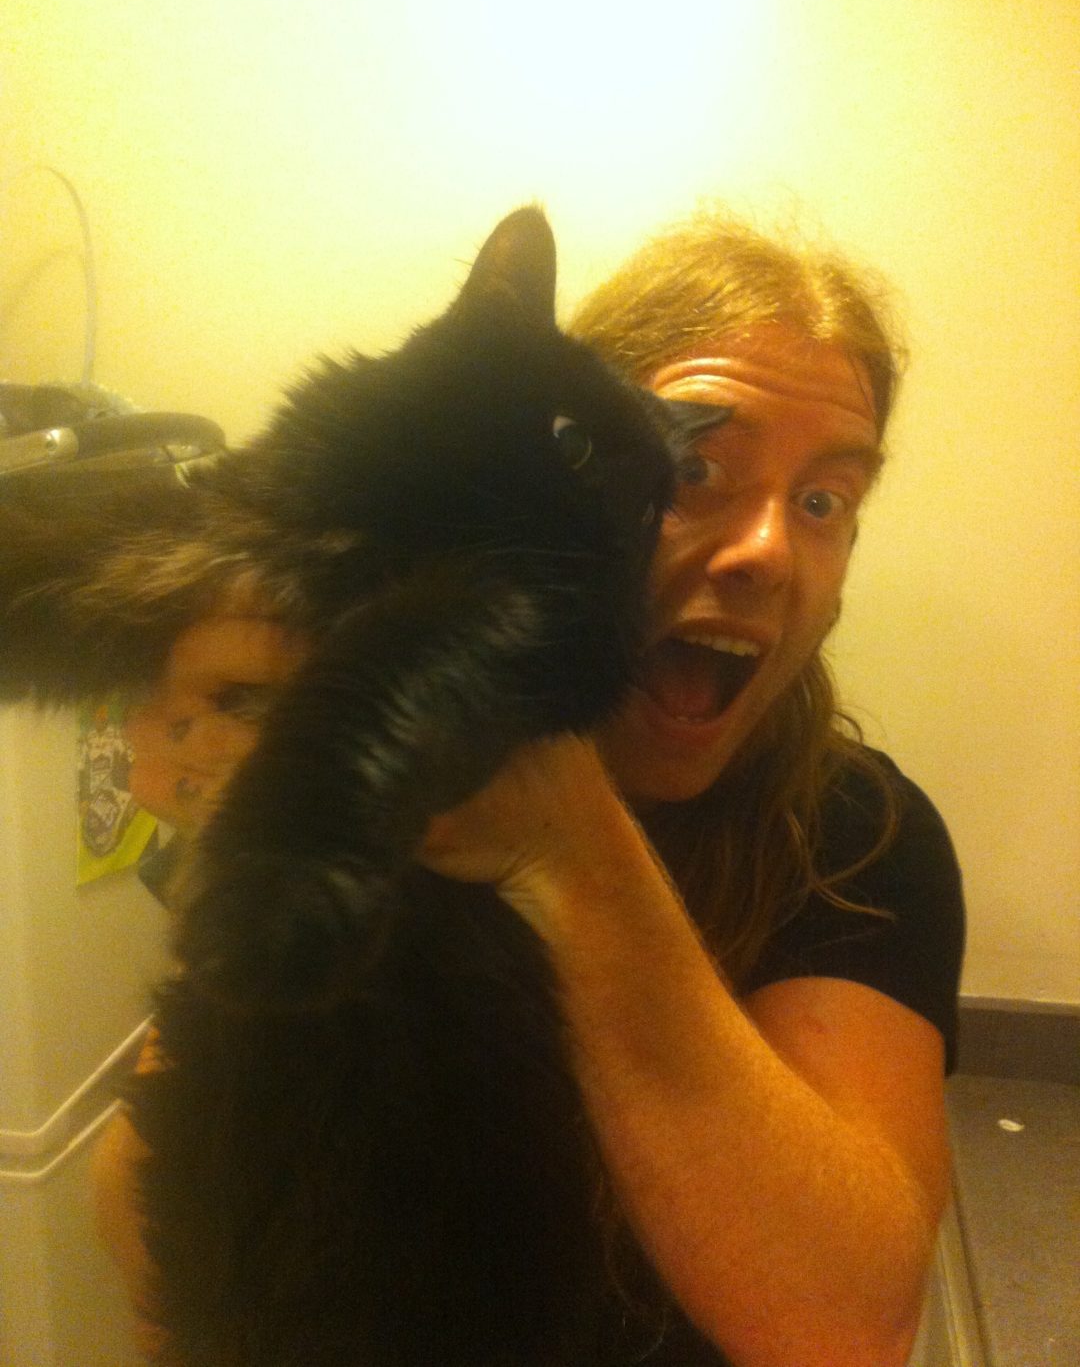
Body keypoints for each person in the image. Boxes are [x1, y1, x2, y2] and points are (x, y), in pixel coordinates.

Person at [92, 209, 964, 1367]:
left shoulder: (862, 836)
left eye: (824, 501)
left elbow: (848, 1325)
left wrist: (564, 839)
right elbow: (141, 1227)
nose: (767, 551)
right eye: (696, 470)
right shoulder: (370, 729)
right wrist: (243, 825)